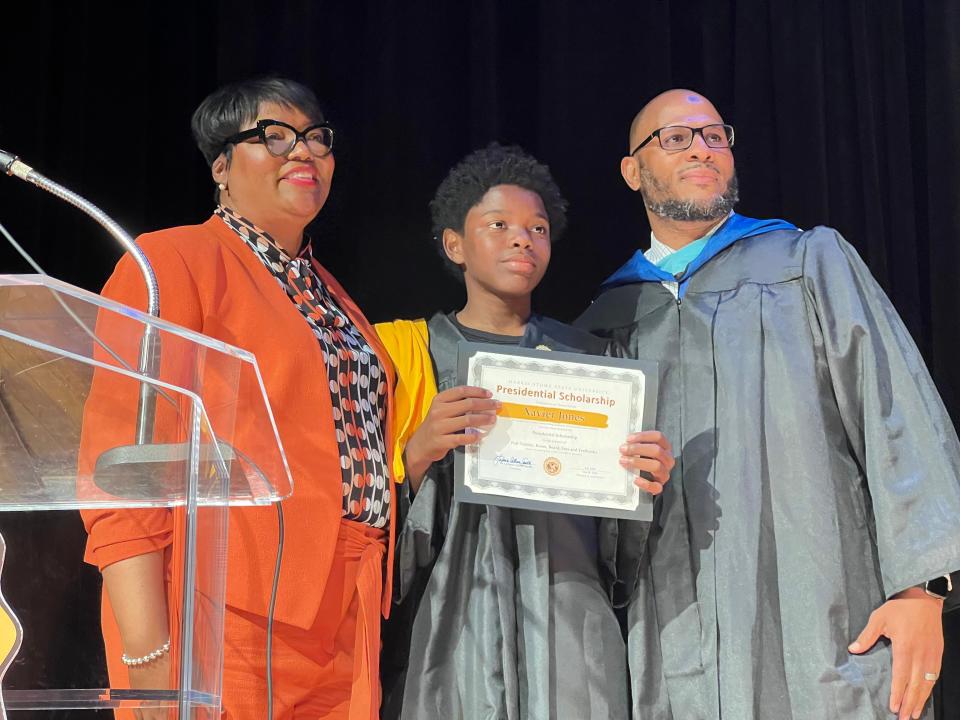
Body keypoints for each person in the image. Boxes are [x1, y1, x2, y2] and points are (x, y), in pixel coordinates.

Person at [576, 88, 960, 720]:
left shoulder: (807, 261)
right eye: (675, 138)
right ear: (632, 170)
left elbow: (894, 411)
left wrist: (922, 589)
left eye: (715, 135)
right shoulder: (610, 319)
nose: (701, 148)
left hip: (828, 614)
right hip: (674, 632)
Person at [80, 77, 399, 719]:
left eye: (317, 138)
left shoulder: (334, 297)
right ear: (221, 167)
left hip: (347, 610)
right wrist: (149, 663)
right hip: (231, 609)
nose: (303, 152)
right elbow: (120, 472)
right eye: (274, 137)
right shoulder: (174, 261)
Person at [375, 143, 674, 720]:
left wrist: (641, 481)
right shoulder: (405, 355)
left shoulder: (594, 362)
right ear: (454, 245)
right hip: (449, 624)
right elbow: (366, 528)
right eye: (500, 225)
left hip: (569, 623)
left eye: (538, 228)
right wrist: (415, 456)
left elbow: (617, 545)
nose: (523, 239)